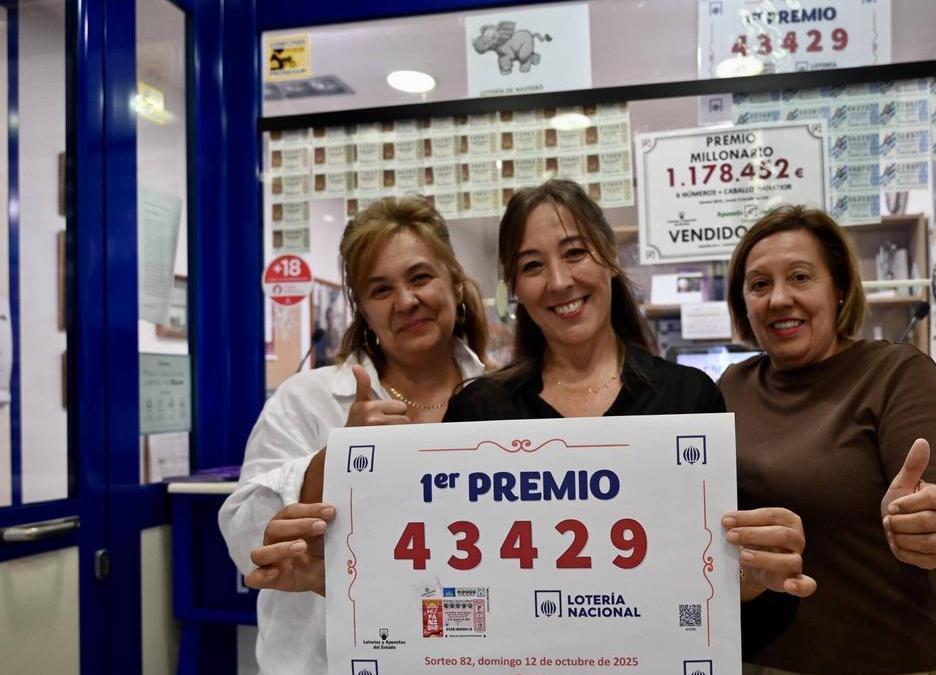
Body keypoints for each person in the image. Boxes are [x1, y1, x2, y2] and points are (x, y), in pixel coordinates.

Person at [443, 179, 818, 601]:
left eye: (575, 253)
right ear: (514, 288)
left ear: (610, 258)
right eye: (532, 266)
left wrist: (755, 573)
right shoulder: (477, 413)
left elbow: (725, 573)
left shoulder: (688, 400)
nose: (559, 280)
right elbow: (450, 571)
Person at [218, 196, 491, 675]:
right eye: (380, 289)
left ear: (454, 281)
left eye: (420, 277)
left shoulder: (507, 401)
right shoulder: (307, 400)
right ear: (363, 309)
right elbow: (243, 538)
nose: (406, 301)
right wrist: (340, 459)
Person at [719, 205, 936, 675]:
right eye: (759, 284)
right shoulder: (729, 388)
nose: (779, 298)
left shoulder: (897, 374)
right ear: (743, 304)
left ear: (839, 288)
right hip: (758, 659)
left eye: (800, 277)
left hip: (891, 660)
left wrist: (932, 528)